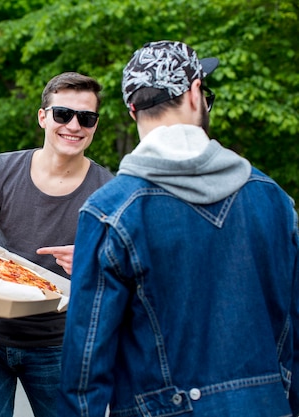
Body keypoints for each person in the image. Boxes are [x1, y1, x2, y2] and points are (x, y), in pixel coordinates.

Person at [59, 40, 299, 416]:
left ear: (133, 109)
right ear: (195, 93)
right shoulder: (275, 201)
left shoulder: (110, 212)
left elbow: (85, 367)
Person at [0, 71, 114, 417]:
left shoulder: (108, 189)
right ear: (43, 116)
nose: (74, 125)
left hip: (58, 342)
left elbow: (120, 270)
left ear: (95, 125)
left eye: (86, 118)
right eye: (63, 114)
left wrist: (92, 261)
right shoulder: (0, 169)